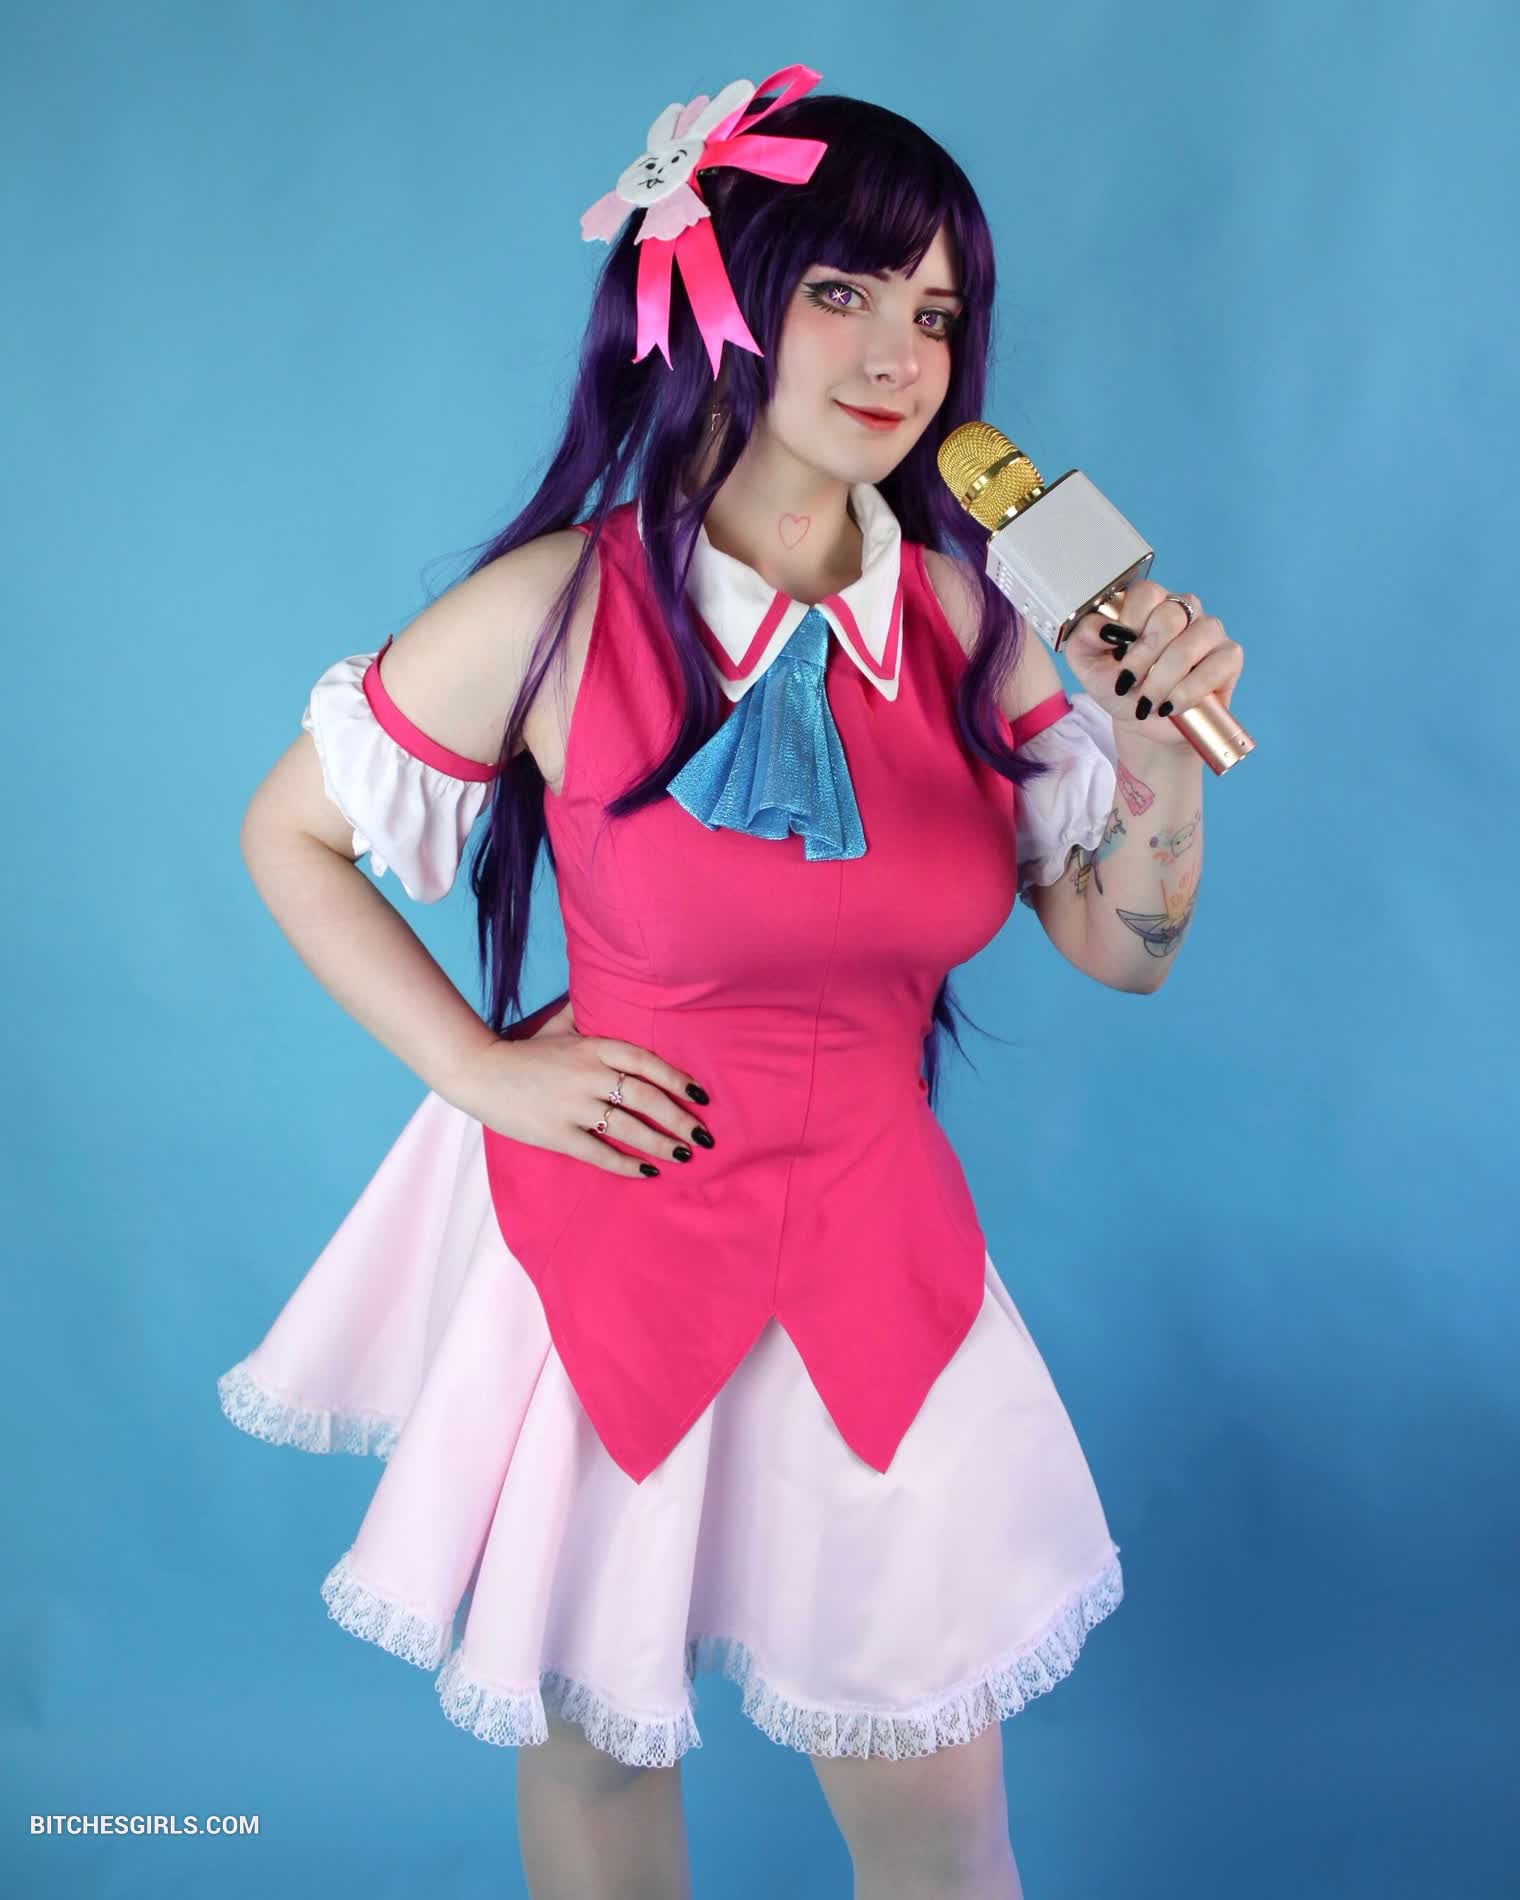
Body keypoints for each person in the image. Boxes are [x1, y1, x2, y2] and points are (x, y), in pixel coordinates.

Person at [220, 66, 1180, 1900]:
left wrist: (1161, 766)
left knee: (939, 1810)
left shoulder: (969, 621)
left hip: (880, 1248)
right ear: (720, 296)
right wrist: (483, 1071)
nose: (898, 354)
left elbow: (1113, 945)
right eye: (844, 291)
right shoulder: (558, 605)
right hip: (618, 1243)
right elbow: (293, 834)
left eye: (937, 315)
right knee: (597, 1761)